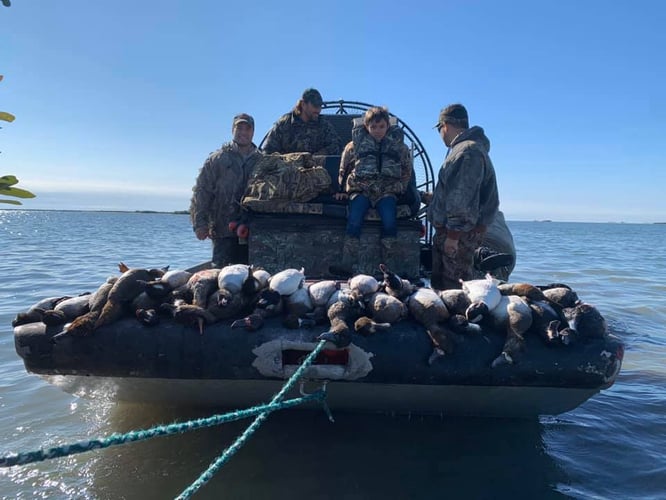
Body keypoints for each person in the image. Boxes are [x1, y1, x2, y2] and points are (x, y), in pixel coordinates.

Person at [427, 103, 500, 289]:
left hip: (458, 236)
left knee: (454, 290)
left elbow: (461, 200)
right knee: (447, 290)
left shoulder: (466, 152)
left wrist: (453, 236)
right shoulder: (470, 149)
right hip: (462, 233)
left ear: (445, 125)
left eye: (439, 129)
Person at [333, 106, 413, 274]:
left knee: (389, 221)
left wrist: (401, 188)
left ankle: (390, 268)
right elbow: (344, 168)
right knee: (354, 219)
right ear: (366, 127)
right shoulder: (353, 146)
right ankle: (347, 264)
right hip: (361, 190)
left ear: (387, 127)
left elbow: (407, 170)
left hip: (386, 192)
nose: (378, 130)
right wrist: (342, 189)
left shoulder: (399, 148)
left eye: (382, 126)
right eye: (374, 127)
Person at [190, 113, 262, 268]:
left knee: (251, 277)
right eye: (239, 128)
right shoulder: (217, 159)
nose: (243, 132)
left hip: (253, 232)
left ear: (253, 132)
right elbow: (202, 192)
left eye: (247, 129)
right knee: (221, 277)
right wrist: (200, 224)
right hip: (222, 230)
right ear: (232, 130)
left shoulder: (262, 161)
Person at [262, 88, 342, 155]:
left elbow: (336, 145)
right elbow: (267, 151)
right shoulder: (284, 124)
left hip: (316, 170)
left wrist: (321, 154)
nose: (318, 109)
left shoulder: (323, 124)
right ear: (303, 104)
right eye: (315, 105)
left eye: (320, 106)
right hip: (288, 170)